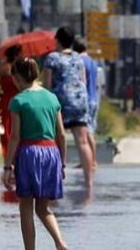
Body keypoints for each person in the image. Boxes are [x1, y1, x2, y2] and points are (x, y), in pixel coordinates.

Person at [2, 57, 70, 250]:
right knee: (43, 207)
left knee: (25, 208)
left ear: (17, 77)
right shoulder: (52, 98)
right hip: (51, 152)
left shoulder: (18, 101)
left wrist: (7, 166)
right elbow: (61, 134)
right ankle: (61, 245)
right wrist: (63, 163)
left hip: (29, 152)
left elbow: (14, 137)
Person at [43, 26, 94, 190]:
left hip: (61, 103)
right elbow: (83, 81)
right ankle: (89, 181)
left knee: (56, 140)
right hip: (80, 102)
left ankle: (55, 178)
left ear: (57, 40)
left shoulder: (52, 58)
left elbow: (47, 85)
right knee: (83, 142)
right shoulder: (79, 58)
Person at [76, 38, 100, 170]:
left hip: (85, 99)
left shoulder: (79, 62)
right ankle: (89, 160)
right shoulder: (93, 62)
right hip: (94, 98)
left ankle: (91, 161)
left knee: (87, 131)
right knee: (89, 130)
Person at [0, 45, 21, 158]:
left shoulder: (20, 68)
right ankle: (9, 157)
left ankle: (17, 156)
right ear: (15, 55)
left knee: (17, 130)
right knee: (8, 130)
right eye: (20, 53)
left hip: (18, 101)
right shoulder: (6, 67)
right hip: (8, 103)